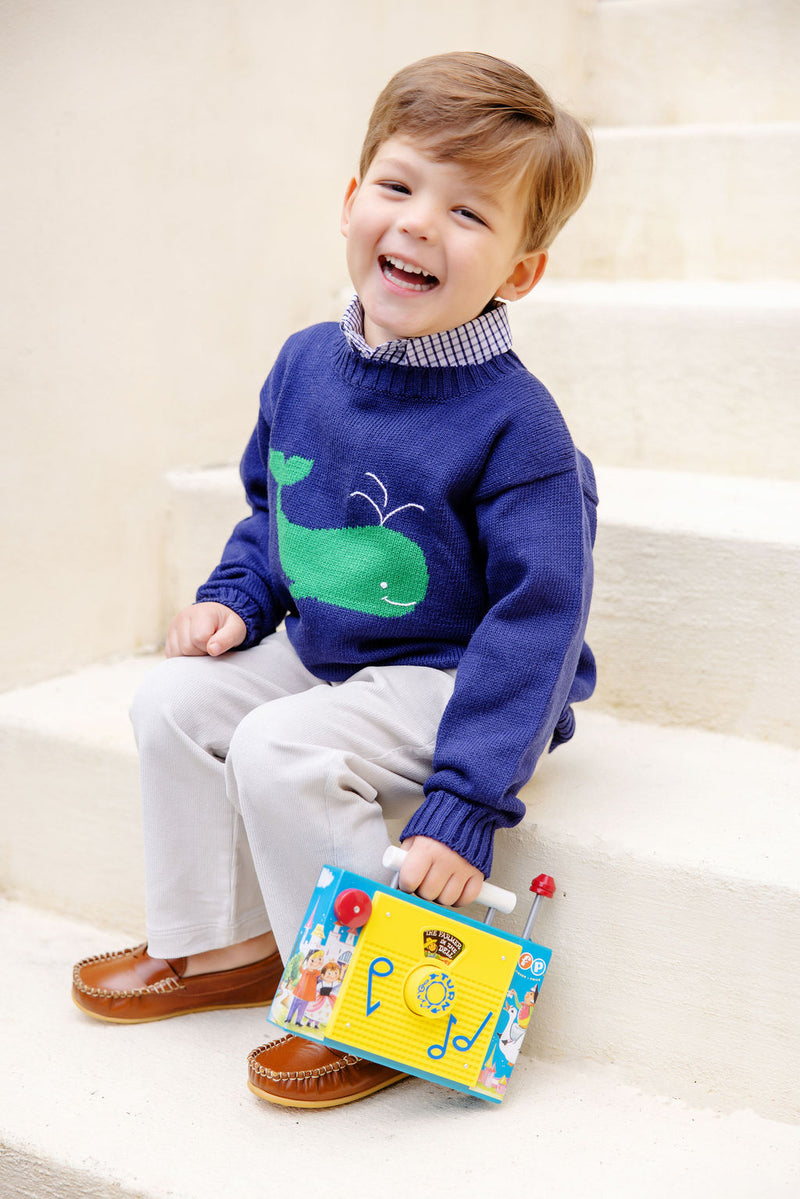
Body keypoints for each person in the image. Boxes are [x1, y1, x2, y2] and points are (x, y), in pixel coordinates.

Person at [72, 50, 597, 1108]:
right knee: (172, 700)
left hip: (457, 675)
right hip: (333, 648)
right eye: (399, 187)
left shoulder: (519, 429)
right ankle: (222, 944)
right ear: (352, 200)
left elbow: (538, 623)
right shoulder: (307, 363)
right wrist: (238, 594)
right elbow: (276, 509)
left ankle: (371, 1000)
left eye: (467, 212)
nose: (418, 224)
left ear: (518, 272)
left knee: (280, 745)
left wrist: (465, 802)